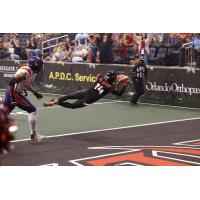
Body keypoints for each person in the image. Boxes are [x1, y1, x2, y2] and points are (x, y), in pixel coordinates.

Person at [3, 56, 44, 142]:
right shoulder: (26, 72)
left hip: (11, 93)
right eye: (39, 65)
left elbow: (26, 84)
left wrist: (35, 93)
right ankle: (33, 135)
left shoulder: (31, 72)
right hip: (14, 94)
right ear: (34, 65)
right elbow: (11, 82)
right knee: (32, 110)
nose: (40, 67)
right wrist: (13, 98)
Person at [44, 71, 129, 109]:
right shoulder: (111, 87)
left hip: (86, 92)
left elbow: (101, 77)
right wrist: (124, 84)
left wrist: (116, 81)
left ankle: (54, 101)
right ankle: (57, 103)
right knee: (73, 106)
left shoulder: (100, 77)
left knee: (69, 96)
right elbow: (119, 93)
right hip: (89, 99)